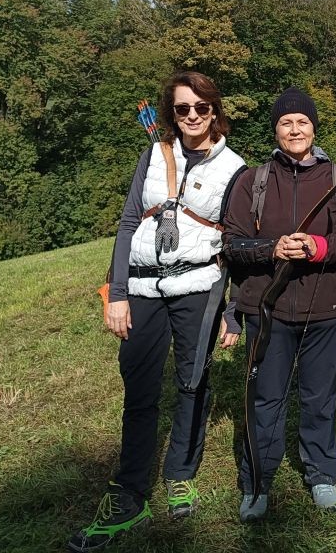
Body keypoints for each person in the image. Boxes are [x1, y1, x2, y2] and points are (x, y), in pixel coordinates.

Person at [69, 71, 246, 552]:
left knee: (192, 380)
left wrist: (234, 309)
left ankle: (181, 473)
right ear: (172, 112)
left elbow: (236, 241)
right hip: (142, 287)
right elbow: (129, 221)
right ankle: (130, 490)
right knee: (140, 386)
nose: (192, 116)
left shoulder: (235, 168)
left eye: (201, 107)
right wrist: (117, 292)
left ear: (214, 110)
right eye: (182, 108)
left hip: (199, 286)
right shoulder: (153, 155)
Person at [222, 87, 336, 521]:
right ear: (276, 130)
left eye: (303, 121)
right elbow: (231, 243)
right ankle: (257, 483)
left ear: (314, 128)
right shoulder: (253, 181)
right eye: (286, 122)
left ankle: (322, 475)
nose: (295, 129)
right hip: (269, 310)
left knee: (320, 396)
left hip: (328, 308)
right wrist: (272, 248)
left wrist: (320, 247)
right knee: (266, 398)